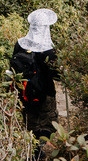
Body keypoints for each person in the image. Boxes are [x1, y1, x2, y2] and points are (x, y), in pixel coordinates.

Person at [9, 8, 59, 139]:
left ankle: (32, 152)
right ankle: (40, 151)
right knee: (47, 123)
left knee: (30, 123)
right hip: (45, 92)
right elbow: (57, 74)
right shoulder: (49, 50)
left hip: (25, 91)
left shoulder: (20, 44)